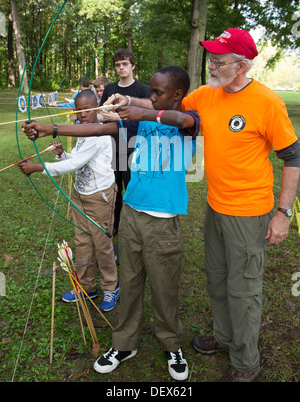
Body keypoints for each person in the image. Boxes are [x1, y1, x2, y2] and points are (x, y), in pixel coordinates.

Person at [104, 28, 300, 382]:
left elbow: (293, 155)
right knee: (218, 279)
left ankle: (245, 364)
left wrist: (283, 213)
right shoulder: (208, 95)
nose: (212, 64)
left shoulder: (267, 102)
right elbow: (168, 107)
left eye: (219, 60)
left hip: (250, 211)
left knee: (244, 288)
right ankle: (224, 337)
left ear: (240, 66)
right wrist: (128, 104)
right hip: (215, 205)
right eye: (211, 57)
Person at [22, 66, 200, 381]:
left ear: (178, 95)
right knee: (130, 284)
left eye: (158, 93)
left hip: (164, 222)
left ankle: (172, 345)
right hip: (130, 214)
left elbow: (183, 120)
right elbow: (96, 130)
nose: (152, 97)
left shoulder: (188, 120)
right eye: (152, 92)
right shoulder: (136, 124)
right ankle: (124, 343)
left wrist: (141, 110)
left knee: (164, 288)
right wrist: (51, 129)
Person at [19, 90, 120, 312]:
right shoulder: (82, 133)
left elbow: (73, 166)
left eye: (87, 110)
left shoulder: (99, 135)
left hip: (98, 198)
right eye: (78, 110)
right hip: (80, 195)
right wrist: (61, 154)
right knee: (82, 242)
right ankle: (87, 287)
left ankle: (111, 286)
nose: (82, 115)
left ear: (97, 109)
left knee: (102, 245)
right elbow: (74, 160)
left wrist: (39, 168)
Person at [99, 49, 151, 235]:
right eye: (117, 65)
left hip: (134, 148)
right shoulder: (110, 89)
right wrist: (104, 115)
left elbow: (145, 120)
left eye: (125, 64)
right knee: (113, 189)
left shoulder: (143, 90)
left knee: (132, 188)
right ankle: (114, 224)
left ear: (133, 66)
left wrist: (118, 118)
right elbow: (101, 115)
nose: (121, 68)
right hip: (111, 147)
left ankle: (134, 227)